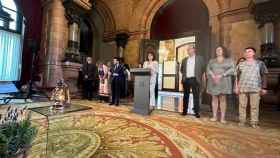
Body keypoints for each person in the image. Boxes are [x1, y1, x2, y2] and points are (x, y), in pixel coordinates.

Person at [235, 47, 268, 128]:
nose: (247, 53)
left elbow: (264, 75)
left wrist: (264, 87)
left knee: (254, 106)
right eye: (246, 52)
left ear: (253, 53)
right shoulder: (241, 64)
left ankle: (254, 123)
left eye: (249, 51)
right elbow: (237, 77)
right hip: (243, 88)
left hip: (255, 88)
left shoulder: (259, 63)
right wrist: (236, 87)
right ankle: (242, 121)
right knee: (242, 106)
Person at [206, 46, 235, 123]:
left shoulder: (229, 60)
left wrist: (222, 75)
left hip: (224, 82)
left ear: (223, 51)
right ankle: (214, 116)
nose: (218, 51)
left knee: (223, 99)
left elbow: (232, 69)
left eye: (220, 49)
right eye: (217, 50)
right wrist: (212, 75)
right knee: (214, 99)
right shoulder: (211, 61)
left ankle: (222, 118)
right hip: (213, 82)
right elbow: (208, 69)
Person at [180, 45, 206, 118]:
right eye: (187, 50)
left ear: (194, 49)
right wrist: (184, 77)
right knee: (185, 96)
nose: (188, 51)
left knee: (196, 96)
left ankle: (196, 112)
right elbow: (182, 70)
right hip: (186, 80)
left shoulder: (200, 58)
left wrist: (203, 80)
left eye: (189, 49)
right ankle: (184, 111)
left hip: (195, 79)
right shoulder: (184, 60)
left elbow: (203, 69)